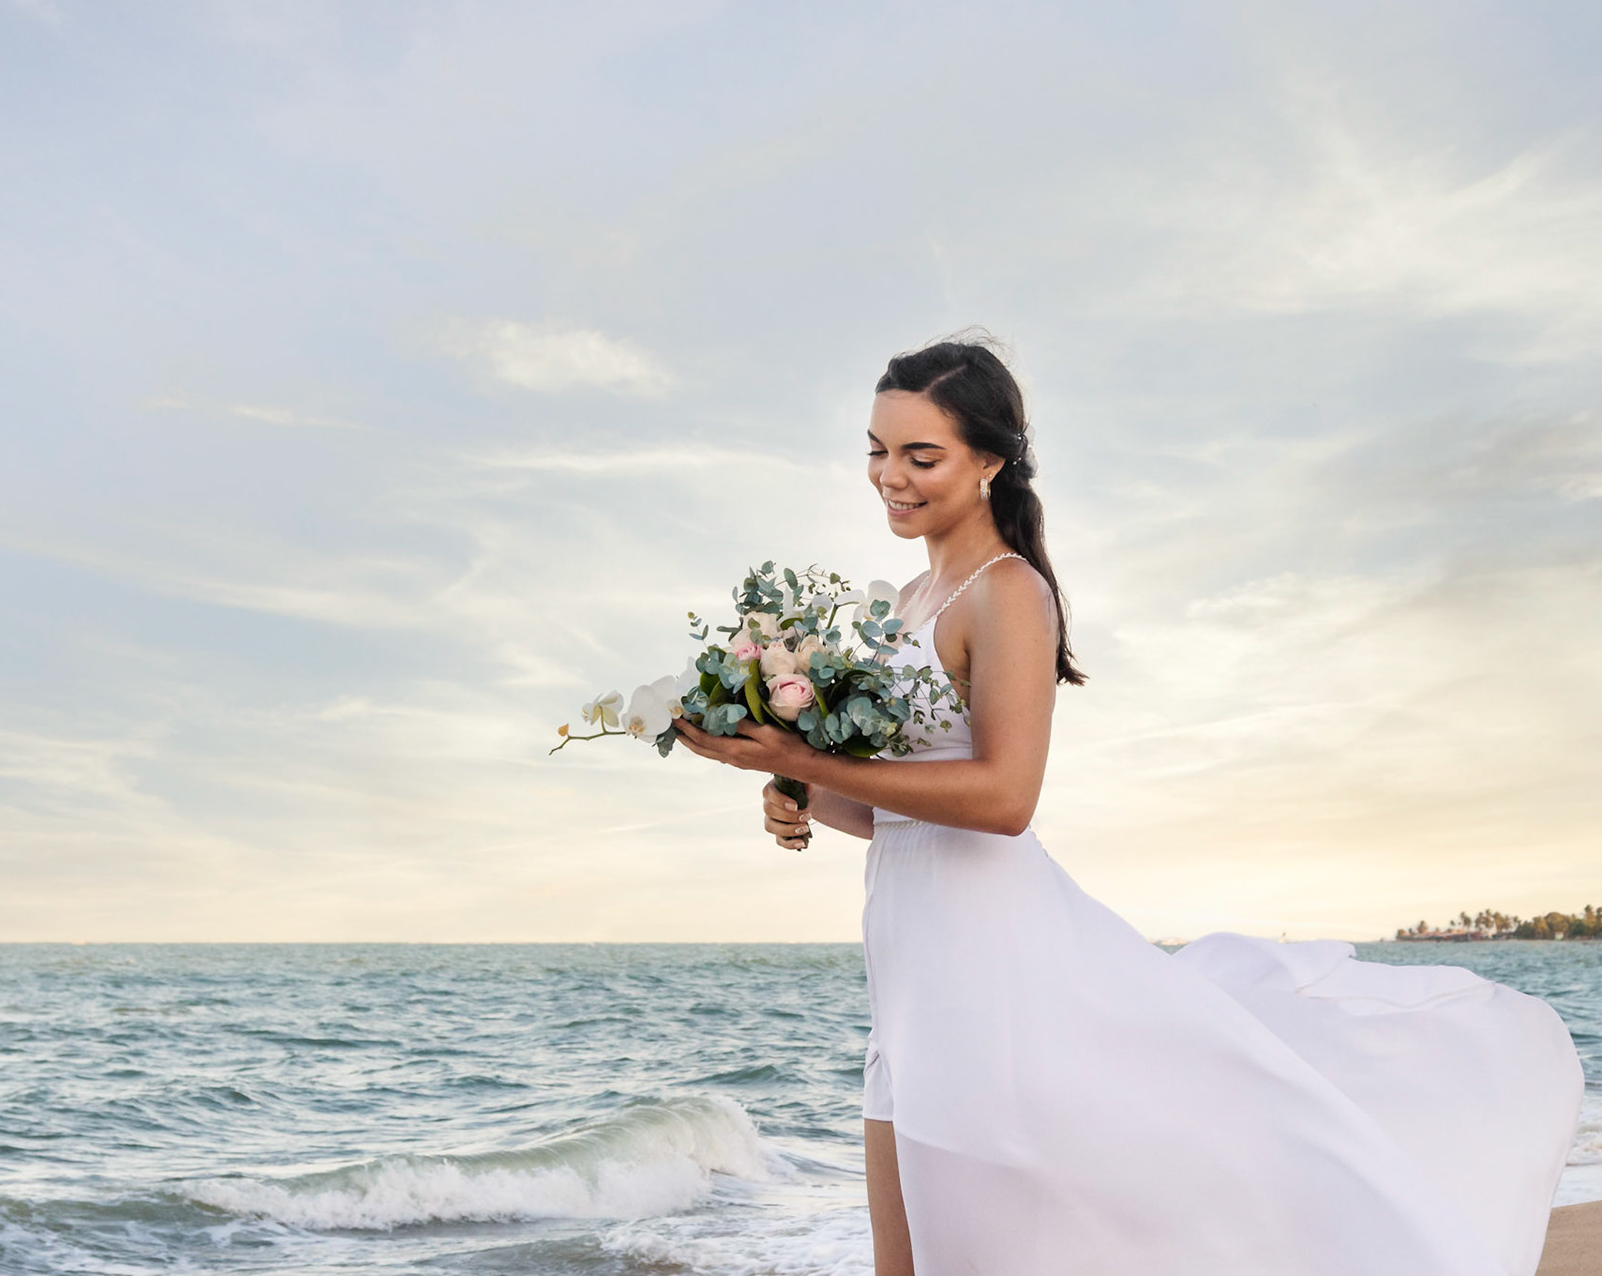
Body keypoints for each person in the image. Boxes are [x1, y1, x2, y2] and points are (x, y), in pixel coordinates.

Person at [670, 336, 1583, 1275]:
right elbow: (904, 811)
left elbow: (1004, 798)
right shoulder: (902, 601)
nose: (888, 477)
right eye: (876, 449)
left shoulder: (1009, 593)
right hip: (907, 976)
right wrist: (798, 787)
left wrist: (808, 759)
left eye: (919, 456)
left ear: (990, 459)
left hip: (993, 969)